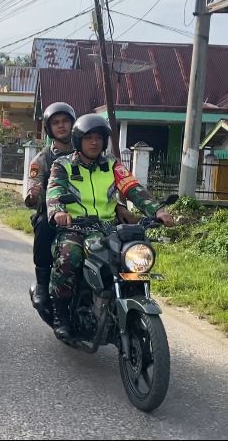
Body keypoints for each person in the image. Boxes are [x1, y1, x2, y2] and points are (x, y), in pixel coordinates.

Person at [46, 114, 175, 340]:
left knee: (132, 258)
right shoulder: (63, 164)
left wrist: (157, 211)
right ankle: (61, 314)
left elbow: (133, 188)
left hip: (109, 228)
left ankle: (125, 305)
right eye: (89, 138)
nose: (94, 143)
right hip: (76, 228)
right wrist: (58, 211)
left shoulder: (111, 165)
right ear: (78, 141)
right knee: (69, 257)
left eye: (99, 138)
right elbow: (54, 189)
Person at [24, 102, 76, 311]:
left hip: (88, 212)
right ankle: (42, 285)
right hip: (53, 213)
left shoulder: (86, 152)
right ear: (49, 128)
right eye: (56, 123)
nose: (61, 126)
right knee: (43, 225)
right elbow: (32, 191)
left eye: (65, 121)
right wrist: (34, 195)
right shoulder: (41, 159)